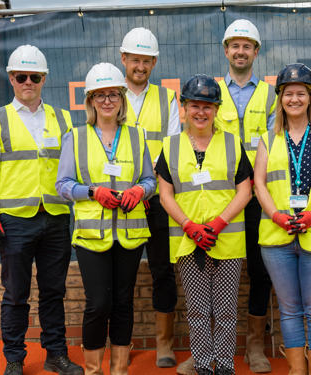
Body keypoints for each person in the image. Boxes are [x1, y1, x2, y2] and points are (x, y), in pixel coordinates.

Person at [0, 44, 83, 375]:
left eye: (34, 76)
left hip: (54, 219)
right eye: (21, 76)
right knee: (16, 295)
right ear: (11, 78)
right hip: (14, 222)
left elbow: (74, 169)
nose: (28, 82)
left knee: (54, 293)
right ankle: (14, 359)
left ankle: (55, 355)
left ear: (44, 78)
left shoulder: (62, 119)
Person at [55, 62, 156, 375]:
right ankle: (93, 370)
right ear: (90, 101)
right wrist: (91, 192)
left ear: (122, 99)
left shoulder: (137, 137)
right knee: (98, 303)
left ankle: (120, 369)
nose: (108, 100)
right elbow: (62, 185)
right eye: (100, 95)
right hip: (91, 237)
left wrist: (139, 191)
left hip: (129, 234)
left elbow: (150, 180)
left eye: (113, 94)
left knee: (124, 303)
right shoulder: (76, 137)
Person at [156, 74, 253, 375]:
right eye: (195, 105)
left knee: (225, 312)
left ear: (216, 109)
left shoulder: (232, 143)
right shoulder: (170, 146)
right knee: (197, 312)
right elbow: (165, 194)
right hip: (189, 244)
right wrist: (189, 226)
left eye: (208, 106)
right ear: (184, 107)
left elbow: (245, 190)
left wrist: (219, 223)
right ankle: (202, 367)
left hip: (227, 243)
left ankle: (224, 368)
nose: (201, 112)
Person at [254, 63, 311, 375]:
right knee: (289, 310)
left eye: (300, 93)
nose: (294, 99)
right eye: (288, 93)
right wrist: (276, 215)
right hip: (277, 237)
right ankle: (297, 370)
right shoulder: (268, 138)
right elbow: (260, 183)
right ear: (280, 99)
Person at [119, 27, 181, 368]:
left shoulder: (167, 98)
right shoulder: (110, 93)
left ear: (154, 62)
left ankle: (163, 345)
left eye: (146, 60)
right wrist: (132, 189)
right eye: (134, 59)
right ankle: (121, 343)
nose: (140, 66)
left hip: (156, 198)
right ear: (123, 58)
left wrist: (149, 186)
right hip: (120, 199)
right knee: (122, 275)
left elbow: (170, 147)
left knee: (162, 271)